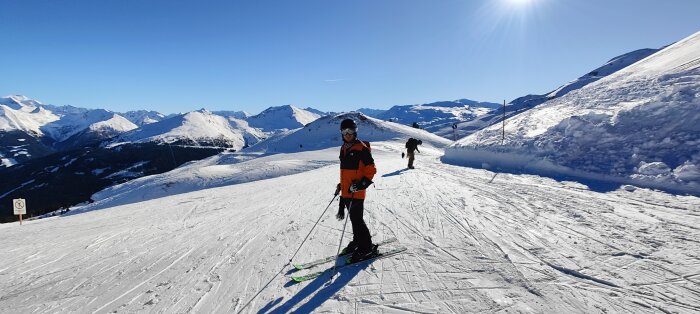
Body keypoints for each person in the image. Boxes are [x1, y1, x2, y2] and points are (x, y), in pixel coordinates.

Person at [335, 118, 378, 261]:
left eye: (350, 131)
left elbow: (371, 170)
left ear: (355, 132)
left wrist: (360, 185)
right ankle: (358, 241)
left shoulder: (362, 149)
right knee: (354, 220)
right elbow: (345, 172)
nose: (348, 134)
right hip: (346, 191)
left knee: (357, 220)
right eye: (344, 131)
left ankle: (366, 248)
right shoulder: (343, 148)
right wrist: (341, 185)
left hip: (357, 192)